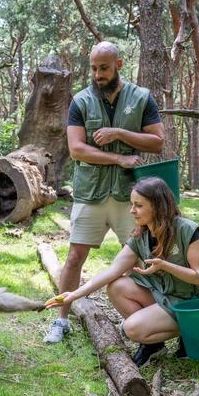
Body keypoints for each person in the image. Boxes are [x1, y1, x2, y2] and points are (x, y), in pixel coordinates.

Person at [43, 41, 165, 343]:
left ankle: (147, 321)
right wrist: (118, 158)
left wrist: (120, 133)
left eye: (104, 68)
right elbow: (76, 149)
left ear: (118, 65)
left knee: (140, 260)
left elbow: (157, 141)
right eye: (94, 68)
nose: (98, 74)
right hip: (90, 192)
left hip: (131, 196)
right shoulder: (81, 101)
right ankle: (61, 320)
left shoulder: (142, 98)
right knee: (75, 257)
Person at [46, 177, 199, 367]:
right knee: (117, 286)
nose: (132, 210)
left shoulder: (188, 230)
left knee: (131, 329)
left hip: (192, 304)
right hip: (166, 296)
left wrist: (165, 265)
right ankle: (153, 345)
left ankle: (190, 331)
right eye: (132, 204)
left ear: (158, 206)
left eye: (139, 205)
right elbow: (112, 271)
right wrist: (73, 295)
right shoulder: (142, 234)